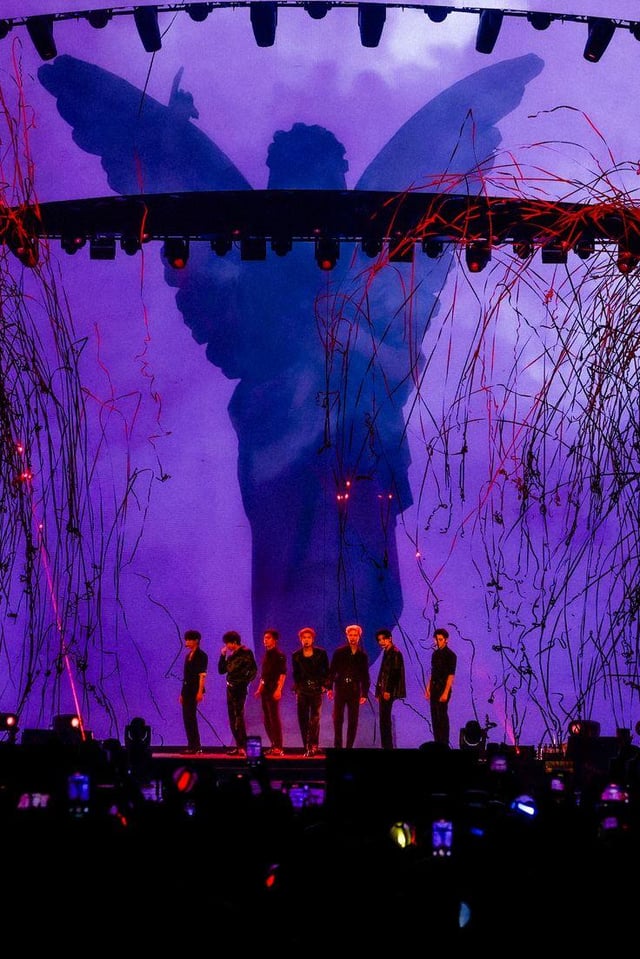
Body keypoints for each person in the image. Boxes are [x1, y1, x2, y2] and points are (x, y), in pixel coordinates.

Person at [327, 624, 371, 749]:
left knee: (353, 720)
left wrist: (364, 693)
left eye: (355, 635)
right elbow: (332, 671)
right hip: (340, 688)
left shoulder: (362, 655)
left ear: (359, 637)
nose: (353, 637)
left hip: (354, 689)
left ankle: (349, 747)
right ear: (347, 636)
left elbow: (365, 675)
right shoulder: (339, 652)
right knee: (338, 719)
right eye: (350, 635)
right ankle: (338, 746)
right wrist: (329, 688)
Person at [218, 630, 258, 757]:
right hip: (230, 688)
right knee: (232, 718)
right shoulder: (231, 656)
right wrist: (222, 656)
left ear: (234, 642)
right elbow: (221, 670)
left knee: (238, 717)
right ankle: (239, 746)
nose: (226, 646)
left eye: (227, 643)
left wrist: (244, 682)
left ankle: (244, 747)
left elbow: (253, 670)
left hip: (239, 689)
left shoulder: (245, 652)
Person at [291, 626, 330, 757]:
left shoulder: (321, 653)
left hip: (316, 689)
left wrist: (325, 685)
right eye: (304, 638)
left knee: (315, 718)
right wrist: (297, 688)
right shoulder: (296, 655)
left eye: (309, 637)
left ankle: (313, 746)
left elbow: (327, 671)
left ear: (313, 639)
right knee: (303, 719)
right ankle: (307, 746)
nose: (306, 640)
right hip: (302, 690)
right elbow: (296, 674)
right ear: (300, 639)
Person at [253, 628, 287, 757]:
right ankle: (273, 745)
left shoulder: (279, 655)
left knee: (274, 718)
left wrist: (279, 689)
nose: (265, 640)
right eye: (264, 638)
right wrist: (259, 689)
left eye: (268, 638)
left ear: (275, 640)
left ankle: (279, 746)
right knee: (266, 719)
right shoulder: (266, 655)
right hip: (265, 690)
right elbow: (264, 675)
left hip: (273, 688)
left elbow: (282, 674)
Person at [374, 628, 406, 749]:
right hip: (383, 690)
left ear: (390, 639)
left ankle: (388, 746)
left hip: (388, 691)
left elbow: (395, 674)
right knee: (383, 719)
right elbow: (382, 673)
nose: (381, 642)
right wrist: (378, 691)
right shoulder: (387, 652)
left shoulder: (395, 653)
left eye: (384, 639)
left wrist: (388, 690)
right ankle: (386, 745)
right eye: (379, 640)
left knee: (385, 719)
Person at [425, 627, 457, 747]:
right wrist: (428, 688)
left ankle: (444, 743)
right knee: (434, 716)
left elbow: (451, 675)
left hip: (443, 688)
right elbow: (433, 672)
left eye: (440, 639)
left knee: (442, 715)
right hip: (434, 687)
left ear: (446, 640)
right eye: (436, 639)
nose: (438, 642)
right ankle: (437, 741)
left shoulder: (451, 655)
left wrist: (446, 692)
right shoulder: (435, 654)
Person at [179, 629, 208, 754]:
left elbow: (202, 675)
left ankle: (196, 746)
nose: (186, 642)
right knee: (186, 717)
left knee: (191, 717)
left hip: (194, 690)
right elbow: (186, 676)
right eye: (186, 640)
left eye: (189, 640)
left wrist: (200, 691)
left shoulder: (201, 655)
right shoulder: (188, 656)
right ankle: (191, 745)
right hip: (187, 690)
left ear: (196, 640)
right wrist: (182, 693)